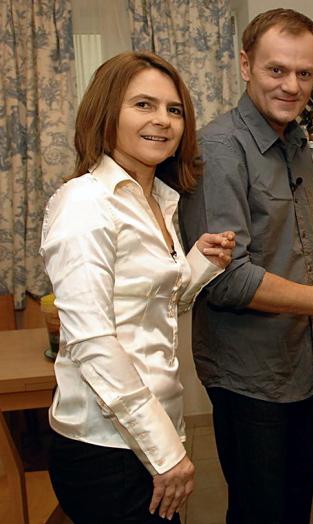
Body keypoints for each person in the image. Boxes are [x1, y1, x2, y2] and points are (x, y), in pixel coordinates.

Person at [179, 9, 313, 523]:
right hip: (248, 373)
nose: (292, 86)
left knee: (292, 506)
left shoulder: (294, 143)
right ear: (245, 65)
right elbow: (227, 279)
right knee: (262, 512)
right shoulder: (220, 150)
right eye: (277, 70)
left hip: (297, 362)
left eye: (304, 73)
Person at [40, 51, 236, 523]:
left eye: (174, 109)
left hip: (150, 428)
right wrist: (166, 453)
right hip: (106, 446)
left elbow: (153, 310)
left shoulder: (157, 200)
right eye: (143, 104)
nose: (163, 120)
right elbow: (93, 342)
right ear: (107, 113)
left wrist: (198, 264)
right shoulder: (86, 202)